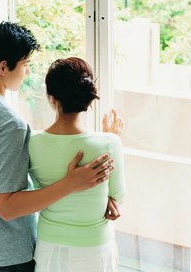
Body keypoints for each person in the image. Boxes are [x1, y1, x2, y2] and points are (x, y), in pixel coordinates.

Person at [0, 22, 114, 272]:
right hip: (7, 258)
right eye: (25, 64)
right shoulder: (8, 123)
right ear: (3, 68)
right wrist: (71, 184)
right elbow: (7, 208)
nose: (27, 72)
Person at [29, 57, 126, 272]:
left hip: (50, 248)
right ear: (87, 99)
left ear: (51, 98)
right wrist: (109, 139)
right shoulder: (109, 142)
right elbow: (117, 197)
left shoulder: (32, 143)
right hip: (96, 249)